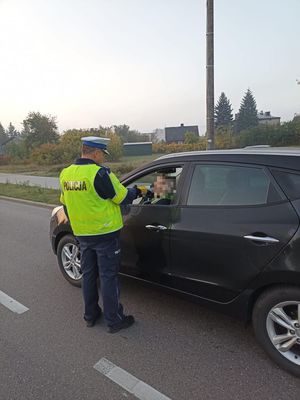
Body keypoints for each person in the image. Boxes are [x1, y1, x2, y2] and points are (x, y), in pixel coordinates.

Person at [59, 136, 141, 333]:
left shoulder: (66, 173)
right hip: (105, 234)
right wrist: (137, 191)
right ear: (95, 153)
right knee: (108, 277)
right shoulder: (100, 174)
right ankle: (114, 320)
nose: (103, 157)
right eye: (103, 154)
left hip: (83, 235)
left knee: (88, 275)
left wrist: (78, 225)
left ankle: (91, 315)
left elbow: (65, 203)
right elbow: (121, 197)